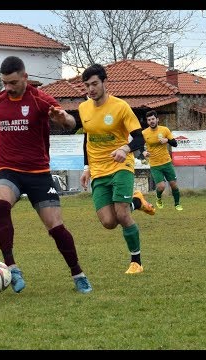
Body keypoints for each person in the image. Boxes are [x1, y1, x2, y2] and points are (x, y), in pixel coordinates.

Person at [0, 55, 92, 294]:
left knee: (56, 227)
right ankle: (12, 267)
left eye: (12, 83)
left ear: (25, 77)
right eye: (4, 83)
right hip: (8, 170)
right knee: (0, 203)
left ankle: (78, 273)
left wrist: (62, 118)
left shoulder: (41, 100)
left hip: (39, 173)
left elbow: (71, 123)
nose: (8, 88)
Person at [78, 63, 155, 275]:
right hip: (98, 170)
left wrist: (125, 148)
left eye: (94, 84)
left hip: (122, 165)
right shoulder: (83, 108)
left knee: (122, 214)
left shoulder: (120, 107)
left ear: (104, 82)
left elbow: (139, 137)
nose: (91, 89)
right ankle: (137, 201)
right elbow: (88, 139)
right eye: (87, 86)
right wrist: (87, 168)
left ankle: (136, 262)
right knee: (108, 222)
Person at [141, 110, 183, 211]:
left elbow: (175, 143)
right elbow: (140, 146)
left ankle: (177, 204)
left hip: (167, 162)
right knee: (161, 187)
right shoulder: (144, 133)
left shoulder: (164, 130)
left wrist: (167, 140)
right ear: (147, 122)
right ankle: (158, 198)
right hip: (155, 165)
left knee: (173, 184)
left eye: (153, 119)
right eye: (149, 120)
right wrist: (143, 152)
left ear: (157, 119)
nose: (151, 121)